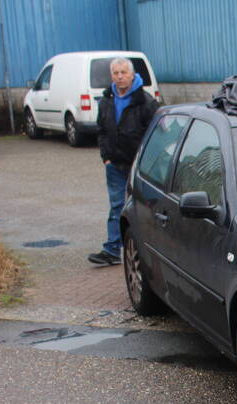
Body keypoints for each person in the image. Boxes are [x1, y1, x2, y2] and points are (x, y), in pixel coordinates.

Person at [88, 57, 159, 266]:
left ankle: (150, 248)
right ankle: (111, 250)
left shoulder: (145, 102)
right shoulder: (107, 100)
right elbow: (101, 130)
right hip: (115, 165)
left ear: (132, 74)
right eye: (116, 73)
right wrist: (106, 157)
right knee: (117, 206)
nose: (119, 77)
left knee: (146, 207)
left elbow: (157, 135)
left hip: (139, 167)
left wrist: (147, 161)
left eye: (123, 73)